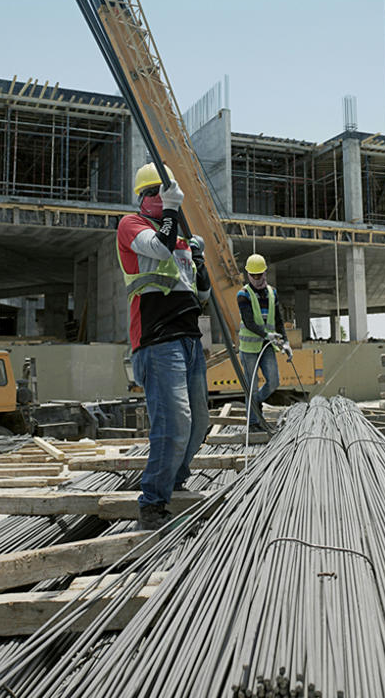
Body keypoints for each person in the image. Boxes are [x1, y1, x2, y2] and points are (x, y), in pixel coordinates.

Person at [117, 163, 211, 531]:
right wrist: (172, 211)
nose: (159, 197)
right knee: (174, 423)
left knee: (199, 422)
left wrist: (199, 261)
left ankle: (173, 482)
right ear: (142, 198)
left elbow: (200, 292)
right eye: (153, 192)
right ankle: (152, 504)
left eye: (164, 192)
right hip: (157, 340)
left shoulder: (181, 239)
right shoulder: (131, 225)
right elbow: (157, 248)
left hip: (189, 338)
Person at [234, 254, 284, 432]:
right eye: (253, 275)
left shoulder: (272, 293)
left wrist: (284, 342)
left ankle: (256, 403)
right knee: (251, 386)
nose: (257, 279)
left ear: (265, 273)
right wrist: (266, 334)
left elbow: (278, 319)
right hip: (248, 349)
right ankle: (253, 422)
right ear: (248, 275)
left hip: (267, 346)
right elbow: (249, 322)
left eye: (259, 275)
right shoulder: (243, 295)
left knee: (273, 382)